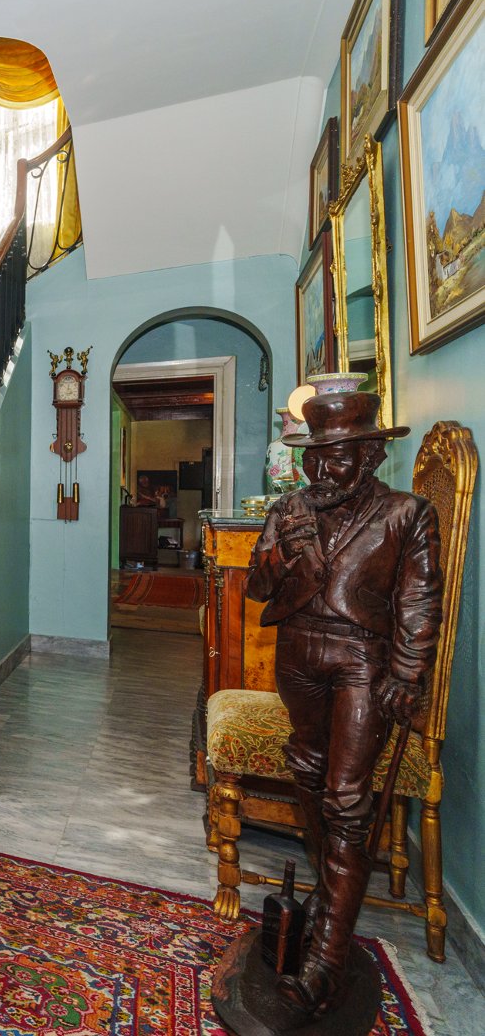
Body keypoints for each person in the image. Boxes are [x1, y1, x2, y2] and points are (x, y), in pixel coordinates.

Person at [245, 391, 442, 1016]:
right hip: (297, 655)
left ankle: (328, 960)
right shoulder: (290, 508)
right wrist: (280, 551)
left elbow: (418, 602)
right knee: (308, 771)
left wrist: (406, 672)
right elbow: (257, 588)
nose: (319, 471)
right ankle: (329, 899)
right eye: (312, 458)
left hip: (363, 661)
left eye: (334, 458)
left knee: (347, 801)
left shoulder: (407, 513)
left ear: (370, 454)